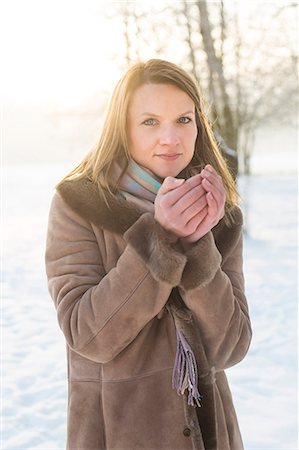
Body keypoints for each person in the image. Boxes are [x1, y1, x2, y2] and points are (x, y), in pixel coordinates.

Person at [45, 59, 252, 450]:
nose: (171, 138)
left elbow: (231, 346)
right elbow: (87, 335)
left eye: (184, 120)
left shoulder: (218, 214)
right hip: (117, 433)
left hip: (209, 434)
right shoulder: (79, 205)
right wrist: (160, 240)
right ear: (123, 128)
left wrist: (197, 243)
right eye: (150, 122)